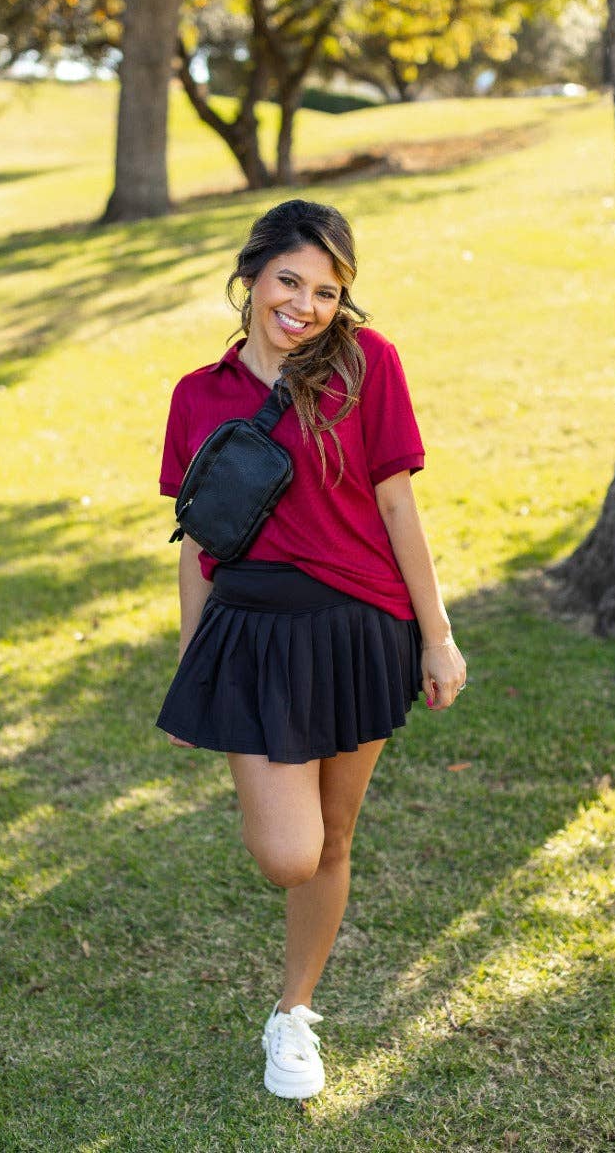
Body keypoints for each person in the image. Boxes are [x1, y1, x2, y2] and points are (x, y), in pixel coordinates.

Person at [156, 199, 466, 1100]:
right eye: (289, 281)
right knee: (287, 854)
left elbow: (398, 506)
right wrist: (192, 667)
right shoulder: (197, 396)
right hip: (251, 635)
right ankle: (291, 999)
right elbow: (197, 546)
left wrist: (436, 637)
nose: (305, 305)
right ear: (252, 276)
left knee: (334, 837)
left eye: (327, 291)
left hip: (364, 627)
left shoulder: (368, 367)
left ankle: (292, 1014)